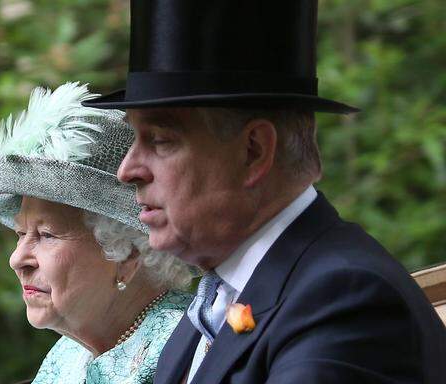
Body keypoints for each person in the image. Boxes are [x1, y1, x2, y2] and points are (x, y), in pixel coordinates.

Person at [82, 1, 446, 383]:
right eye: (134, 139)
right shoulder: (202, 320)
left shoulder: (345, 302)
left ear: (253, 151)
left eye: (159, 140)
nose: (128, 170)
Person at [0, 82, 194, 383]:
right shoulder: (68, 359)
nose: (18, 259)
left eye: (47, 235)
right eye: (21, 234)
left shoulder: (190, 353)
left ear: (128, 255)